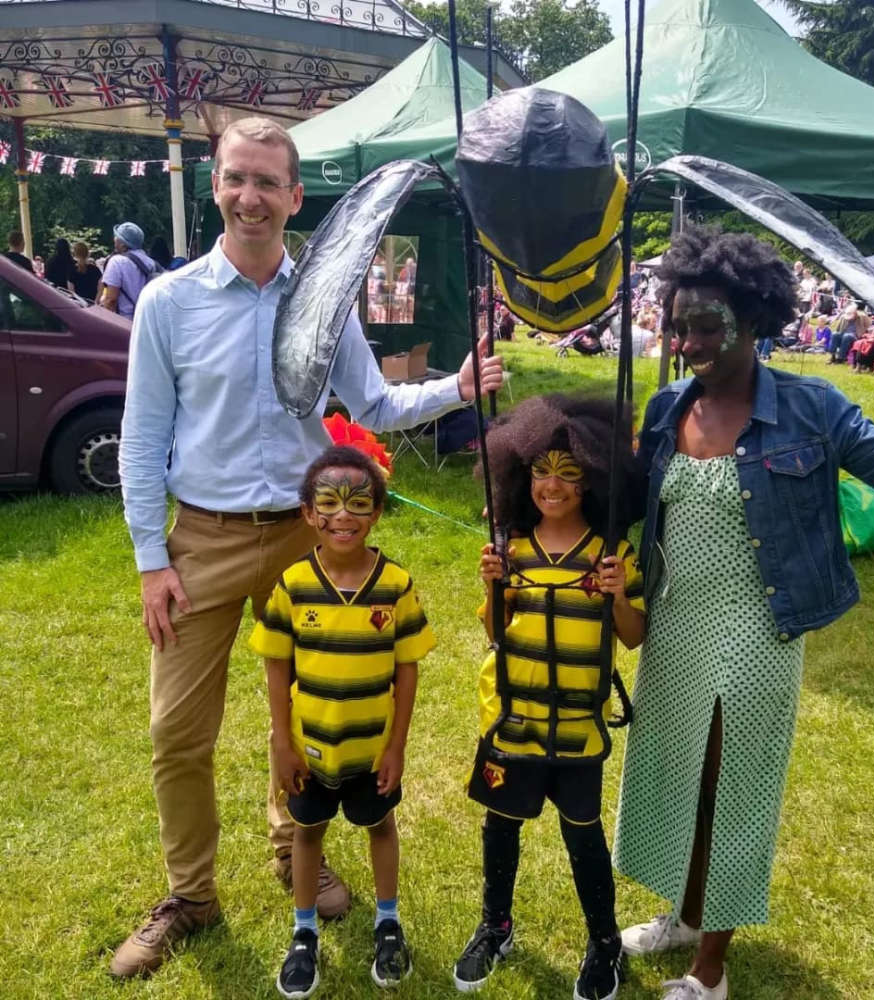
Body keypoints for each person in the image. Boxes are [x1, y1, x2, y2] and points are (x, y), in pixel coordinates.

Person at [113, 115, 504, 979]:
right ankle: (190, 894)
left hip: (306, 544)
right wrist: (151, 558)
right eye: (235, 178)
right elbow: (142, 442)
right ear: (216, 185)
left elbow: (373, 407)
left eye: (268, 182)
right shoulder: (168, 304)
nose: (250, 197)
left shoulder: (320, 302)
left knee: (306, 716)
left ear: (296, 197)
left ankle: (297, 848)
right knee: (177, 732)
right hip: (202, 543)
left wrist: (457, 386)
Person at [613, 227, 874, 1000]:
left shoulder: (811, 407)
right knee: (678, 777)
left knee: (730, 784)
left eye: (706, 325)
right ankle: (685, 911)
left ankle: (711, 968)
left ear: (754, 317)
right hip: (675, 624)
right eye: (679, 323)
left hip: (755, 629)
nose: (689, 340)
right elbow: (633, 500)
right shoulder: (670, 406)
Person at [453, 394, 646, 1000]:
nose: (552, 485)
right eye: (541, 471)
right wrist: (493, 588)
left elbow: (634, 636)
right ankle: (495, 925)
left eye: (569, 473)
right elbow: (495, 632)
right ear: (520, 474)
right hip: (515, 724)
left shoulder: (610, 555)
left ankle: (604, 941)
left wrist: (617, 595)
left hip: (578, 730)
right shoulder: (510, 550)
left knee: (583, 834)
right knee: (501, 826)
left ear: (593, 478)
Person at [251, 445, 434, 998]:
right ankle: (303, 934)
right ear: (308, 513)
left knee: (380, 826)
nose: (344, 516)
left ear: (377, 510)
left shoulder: (395, 585)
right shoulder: (292, 584)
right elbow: (276, 665)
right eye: (328, 502)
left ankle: (388, 922)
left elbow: (407, 670)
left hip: (371, 748)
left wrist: (396, 747)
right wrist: (283, 744)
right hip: (310, 749)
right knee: (308, 834)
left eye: (359, 502)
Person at [99, 221, 161, 318]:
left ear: (123, 245)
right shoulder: (151, 263)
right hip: (147, 320)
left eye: (116, 237)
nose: (114, 239)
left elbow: (111, 300)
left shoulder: (116, 262)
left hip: (125, 323)